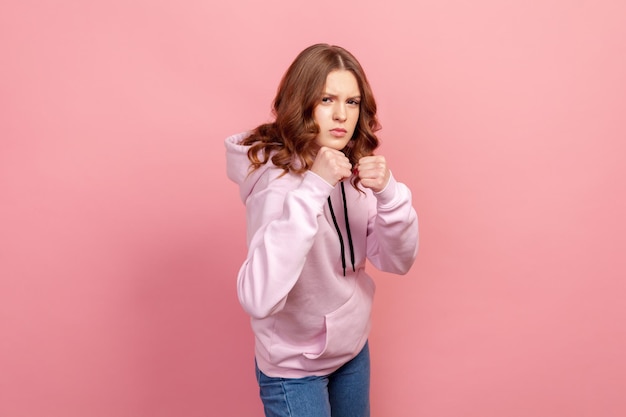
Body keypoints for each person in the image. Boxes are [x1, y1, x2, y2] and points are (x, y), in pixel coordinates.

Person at [225, 43, 419, 417]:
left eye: (351, 102)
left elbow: (397, 261)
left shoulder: (353, 168)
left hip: (351, 351)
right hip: (293, 369)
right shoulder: (276, 185)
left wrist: (391, 194)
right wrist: (315, 186)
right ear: (302, 102)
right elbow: (257, 297)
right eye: (327, 99)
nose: (340, 115)